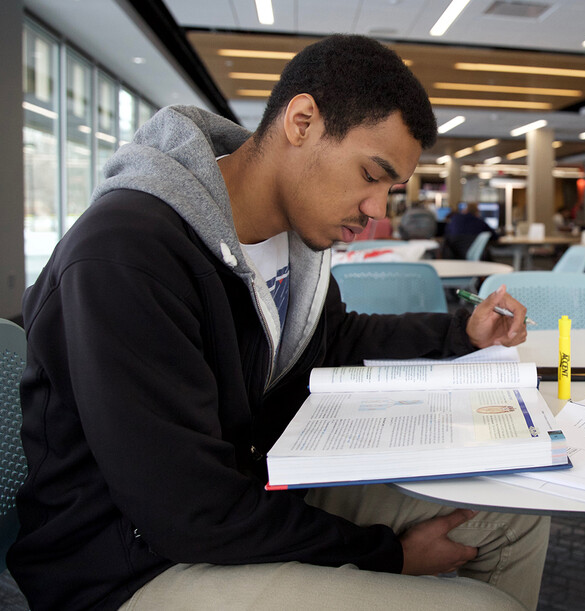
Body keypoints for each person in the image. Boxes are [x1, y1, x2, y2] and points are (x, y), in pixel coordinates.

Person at [12, 35, 547, 611]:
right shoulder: (126, 253)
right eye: (372, 174)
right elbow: (187, 508)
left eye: (390, 189)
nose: (377, 210)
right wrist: (387, 555)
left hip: (253, 491)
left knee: (513, 517)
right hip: (131, 564)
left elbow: (331, 338)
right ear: (302, 121)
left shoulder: (294, 242)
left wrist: (458, 333)